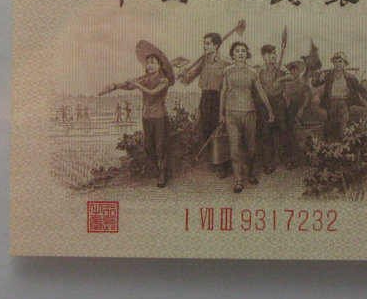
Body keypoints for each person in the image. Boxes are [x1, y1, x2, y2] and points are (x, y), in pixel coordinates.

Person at [99, 41, 175, 188]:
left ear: (160, 65)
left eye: (153, 62)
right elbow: (129, 87)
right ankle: (156, 170)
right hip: (146, 117)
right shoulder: (145, 78)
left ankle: (162, 175)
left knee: (160, 147)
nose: (149, 65)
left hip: (160, 117)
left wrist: (137, 84)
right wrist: (116, 85)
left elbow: (152, 92)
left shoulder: (163, 80)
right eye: (148, 63)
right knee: (149, 147)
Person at [219, 42, 275, 192]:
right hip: (231, 113)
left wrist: (270, 110)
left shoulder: (252, 72)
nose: (241, 53)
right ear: (233, 54)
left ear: (247, 54)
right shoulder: (227, 71)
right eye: (237, 51)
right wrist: (221, 113)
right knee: (235, 146)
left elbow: (261, 91)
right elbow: (224, 92)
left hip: (249, 112)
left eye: (243, 51)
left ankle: (250, 173)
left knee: (250, 147)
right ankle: (238, 180)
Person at [179, 31, 228, 173]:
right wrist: (182, 73)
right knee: (206, 129)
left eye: (208, 44)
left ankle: (223, 165)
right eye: (204, 43)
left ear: (216, 45)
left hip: (219, 98)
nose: (205, 46)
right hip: (205, 98)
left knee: (219, 131)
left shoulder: (226, 63)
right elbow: (187, 80)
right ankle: (212, 161)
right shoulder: (203, 62)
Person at [313, 51, 367, 139]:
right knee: (330, 129)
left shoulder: (350, 77)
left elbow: (361, 89)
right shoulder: (328, 76)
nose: (337, 64)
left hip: (344, 104)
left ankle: (343, 143)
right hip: (330, 104)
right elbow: (315, 83)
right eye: (335, 62)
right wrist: (318, 77)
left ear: (344, 64)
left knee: (343, 128)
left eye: (340, 61)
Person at [256, 44, 295, 171]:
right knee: (266, 132)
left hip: (279, 102)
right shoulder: (260, 70)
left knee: (283, 130)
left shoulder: (280, 67)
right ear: (264, 56)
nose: (273, 56)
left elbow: (291, 76)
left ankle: (287, 159)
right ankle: (268, 163)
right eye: (270, 54)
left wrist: (280, 79)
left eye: (274, 53)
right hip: (265, 103)